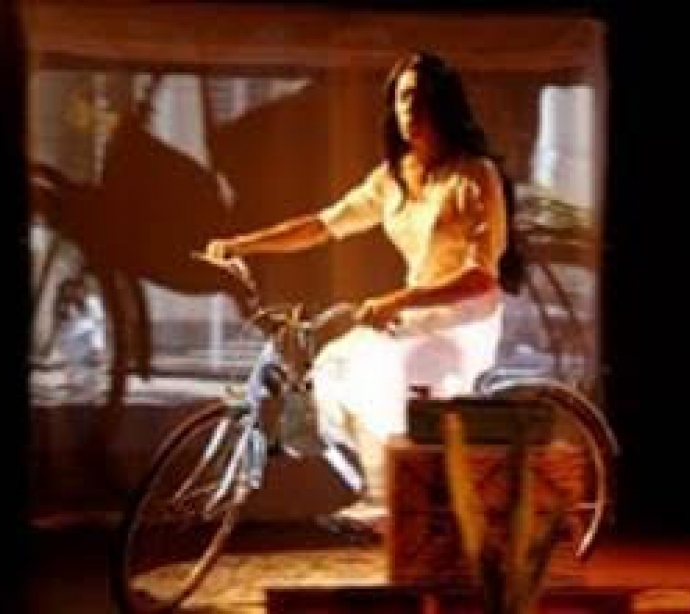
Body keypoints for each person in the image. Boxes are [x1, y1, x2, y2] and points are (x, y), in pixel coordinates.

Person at [204, 51, 524, 496]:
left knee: (381, 371)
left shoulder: (474, 175)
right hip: (417, 316)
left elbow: (481, 278)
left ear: (443, 104)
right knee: (333, 367)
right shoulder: (392, 179)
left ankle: (391, 493)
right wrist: (243, 244)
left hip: (464, 319)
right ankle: (388, 486)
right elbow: (322, 225)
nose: (410, 110)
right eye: (402, 99)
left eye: (420, 98)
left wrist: (398, 300)